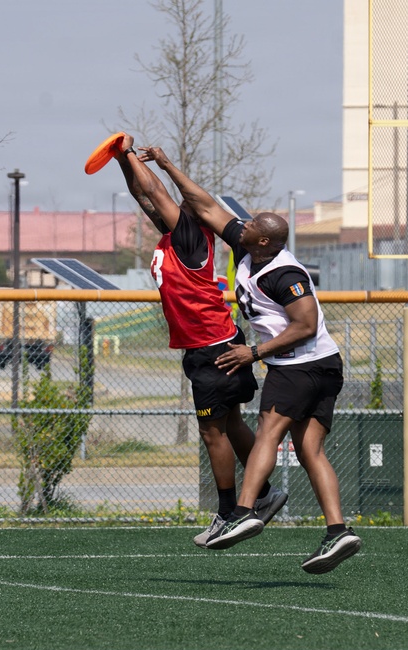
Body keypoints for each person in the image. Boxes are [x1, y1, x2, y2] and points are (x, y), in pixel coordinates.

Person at [139, 145, 361, 575]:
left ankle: (242, 512)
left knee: (267, 433)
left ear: (263, 241)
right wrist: (166, 165)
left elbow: (306, 324)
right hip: (319, 364)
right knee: (309, 449)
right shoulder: (249, 248)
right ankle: (338, 531)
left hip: (301, 366)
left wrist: (253, 352)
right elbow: (205, 205)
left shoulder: (284, 273)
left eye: (253, 224)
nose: (243, 224)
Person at [112, 134, 287, 547]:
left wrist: (133, 155)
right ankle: (265, 494)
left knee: (212, 433)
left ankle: (228, 513)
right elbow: (144, 195)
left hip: (213, 350)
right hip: (215, 342)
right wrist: (120, 160)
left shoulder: (191, 236)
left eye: (182, 205)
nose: (171, 206)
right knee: (230, 422)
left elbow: (156, 191)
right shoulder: (176, 235)